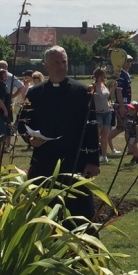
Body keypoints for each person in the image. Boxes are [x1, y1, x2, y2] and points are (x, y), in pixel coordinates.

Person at [25, 46, 100, 229]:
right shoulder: (35, 93)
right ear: (46, 66)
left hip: (74, 162)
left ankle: (85, 254)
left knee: (82, 218)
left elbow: (91, 129)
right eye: (56, 62)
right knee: (40, 216)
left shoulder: (82, 92)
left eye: (64, 62)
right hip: (44, 162)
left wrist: (93, 161)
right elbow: (23, 123)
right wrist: (30, 139)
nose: (61, 66)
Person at [108, 54, 133, 154]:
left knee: (127, 127)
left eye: (131, 61)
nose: (129, 63)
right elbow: (118, 91)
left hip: (127, 104)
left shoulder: (126, 73)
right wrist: (122, 106)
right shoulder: (121, 75)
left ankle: (130, 149)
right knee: (121, 128)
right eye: (127, 61)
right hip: (122, 104)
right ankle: (101, 142)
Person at [91, 67, 113, 163]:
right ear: (99, 75)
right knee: (96, 136)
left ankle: (104, 156)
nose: (106, 75)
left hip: (107, 112)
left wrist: (113, 88)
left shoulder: (104, 85)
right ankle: (94, 155)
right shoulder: (93, 86)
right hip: (98, 113)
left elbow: (107, 97)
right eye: (104, 73)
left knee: (105, 135)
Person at [0, 68, 13, 153]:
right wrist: (4, 109)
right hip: (0, 111)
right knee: (2, 129)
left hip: (4, 110)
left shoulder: (3, 85)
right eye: (5, 75)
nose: (6, 76)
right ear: (1, 76)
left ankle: (3, 146)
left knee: (5, 128)